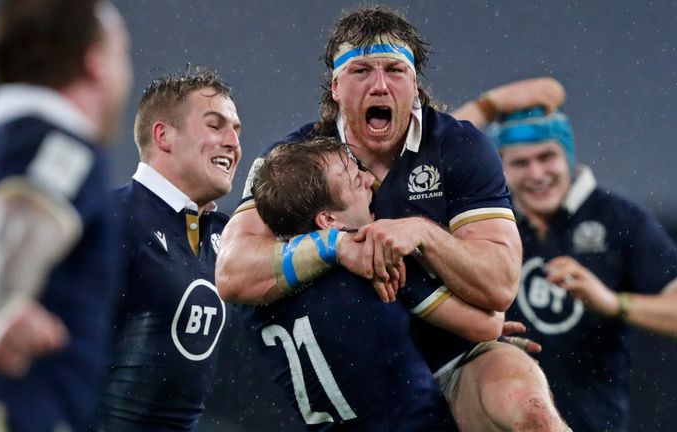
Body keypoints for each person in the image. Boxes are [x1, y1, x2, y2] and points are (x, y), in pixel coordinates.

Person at [217, 5, 569, 431]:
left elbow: (497, 286)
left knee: (530, 411)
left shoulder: (460, 147)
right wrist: (338, 246)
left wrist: (421, 232)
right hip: (365, 373)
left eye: (395, 70)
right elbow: (232, 273)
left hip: (457, 357)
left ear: (415, 86)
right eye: (361, 70)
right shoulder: (293, 163)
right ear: (335, 87)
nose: (379, 84)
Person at [484, 105, 677, 431]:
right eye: (520, 163)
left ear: (567, 156)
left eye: (547, 157)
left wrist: (612, 302)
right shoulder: (487, 221)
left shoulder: (618, 219)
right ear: (499, 168)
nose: (537, 173)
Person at [245, 136, 502, 430]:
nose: (370, 180)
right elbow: (489, 324)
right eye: (356, 180)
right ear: (328, 220)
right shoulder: (372, 261)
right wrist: (429, 240)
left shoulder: (253, 294)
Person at [0, 0, 132, 431]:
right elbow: (19, 221)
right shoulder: (60, 143)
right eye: (121, 53)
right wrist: (4, 304)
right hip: (7, 413)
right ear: (96, 64)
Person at [89, 66, 241, 431]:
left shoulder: (231, 236)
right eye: (215, 125)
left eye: (236, 130)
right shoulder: (108, 220)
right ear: (163, 135)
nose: (233, 143)